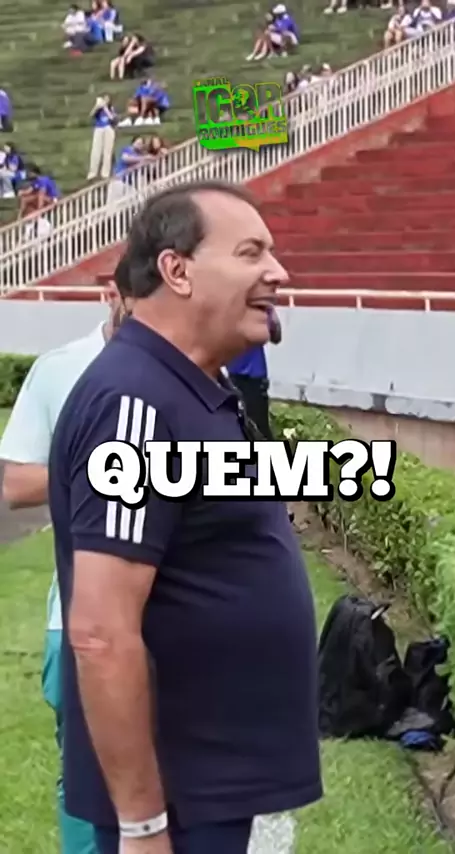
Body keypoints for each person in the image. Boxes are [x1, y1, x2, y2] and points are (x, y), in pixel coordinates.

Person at [48, 179, 322, 854]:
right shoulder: (134, 401)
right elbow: (101, 632)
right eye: (251, 253)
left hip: (215, 789)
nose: (278, 272)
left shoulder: (195, 386)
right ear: (177, 270)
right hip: (181, 805)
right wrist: (144, 826)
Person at [0, 279, 131, 854]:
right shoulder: (62, 369)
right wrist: (110, 473)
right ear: (113, 292)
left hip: (182, 618)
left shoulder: (201, 370)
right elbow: (18, 483)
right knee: (89, 781)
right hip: (82, 616)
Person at [227, 307, 281, 440]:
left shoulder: (259, 308)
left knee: (258, 428)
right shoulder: (229, 307)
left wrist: (270, 314)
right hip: (236, 376)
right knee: (241, 428)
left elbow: (276, 336)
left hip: (252, 377)